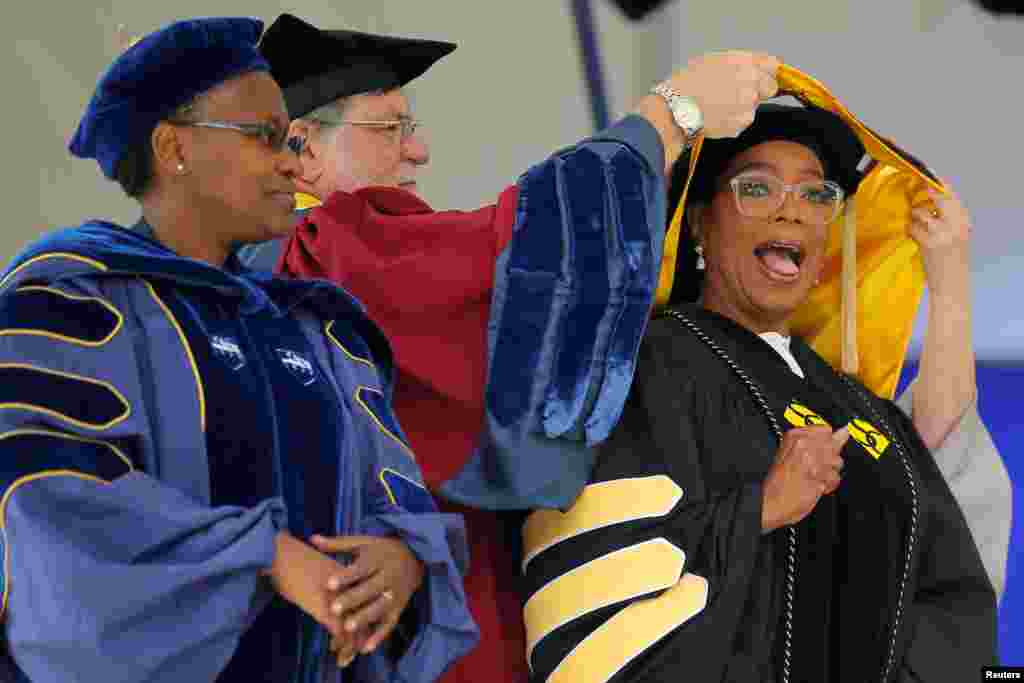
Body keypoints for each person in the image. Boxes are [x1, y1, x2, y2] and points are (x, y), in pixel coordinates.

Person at [246, 14, 784, 680]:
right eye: (391, 128)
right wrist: (670, 114)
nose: (418, 153)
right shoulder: (328, 246)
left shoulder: (243, 278)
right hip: (418, 641)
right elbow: (515, 259)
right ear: (300, 150)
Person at [0, 17, 476, 682]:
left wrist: (402, 558)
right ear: (174, 148)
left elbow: (394, 495)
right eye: (264, 137)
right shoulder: (75, 299)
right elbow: (48, 506)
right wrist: (264, 555)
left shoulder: (315, 325)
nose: (291, 160)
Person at [520, 98, 999, 681]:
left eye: (817, 196)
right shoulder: (649, 365)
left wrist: (948, 273)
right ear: (699, 220)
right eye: (757, 188)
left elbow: (949, 589)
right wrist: (762, 507)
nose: (792, 213)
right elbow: (591, 576)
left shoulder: (858, 409)